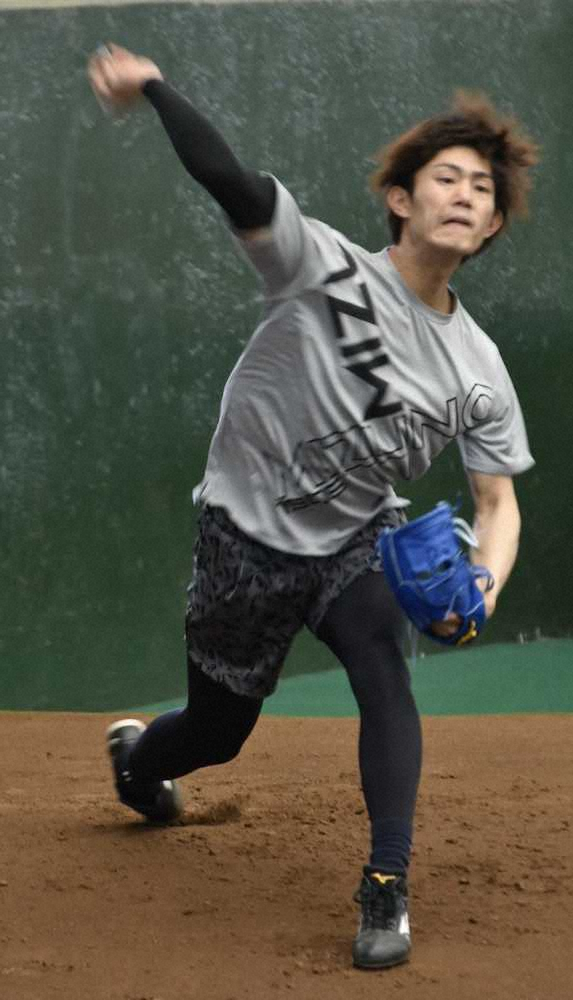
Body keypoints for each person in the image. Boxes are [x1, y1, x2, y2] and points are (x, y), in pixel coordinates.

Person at [88, 44, 537, 970]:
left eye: (482, 189)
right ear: (401, 199)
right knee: (216, 733)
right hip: (244, 537)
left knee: (383, 668)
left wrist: (484, 584)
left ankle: (385, 883)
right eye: (445, 178)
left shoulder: (480, 370)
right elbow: (230, 181)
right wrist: (156, 88)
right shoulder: (318, 267)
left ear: (492, 225)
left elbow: (496, 502)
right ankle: (139, 764)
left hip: (353, 538)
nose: (464, 194)